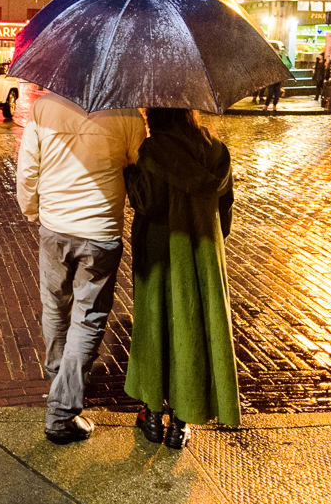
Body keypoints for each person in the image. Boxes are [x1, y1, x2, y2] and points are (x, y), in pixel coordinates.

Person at [16, 93, 146, 445]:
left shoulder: (44, 107)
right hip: (101, 232)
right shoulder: (127, 113)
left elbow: (28, 168)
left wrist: (31, 210)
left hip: (55, 226)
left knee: (54, 305)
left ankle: (60, 381)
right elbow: (138, 164)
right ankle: (63, 408)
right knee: (88, 317)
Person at [123, 108, 239, 450]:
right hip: (203, 254)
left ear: (156, 116)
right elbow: (226, 208)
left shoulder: (153, 150)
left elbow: (148, 203)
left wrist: (131, 173)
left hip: (161, 254)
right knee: (193, 334)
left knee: (156, 331)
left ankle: (153, 416)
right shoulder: (217, 151)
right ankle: (180, 424)